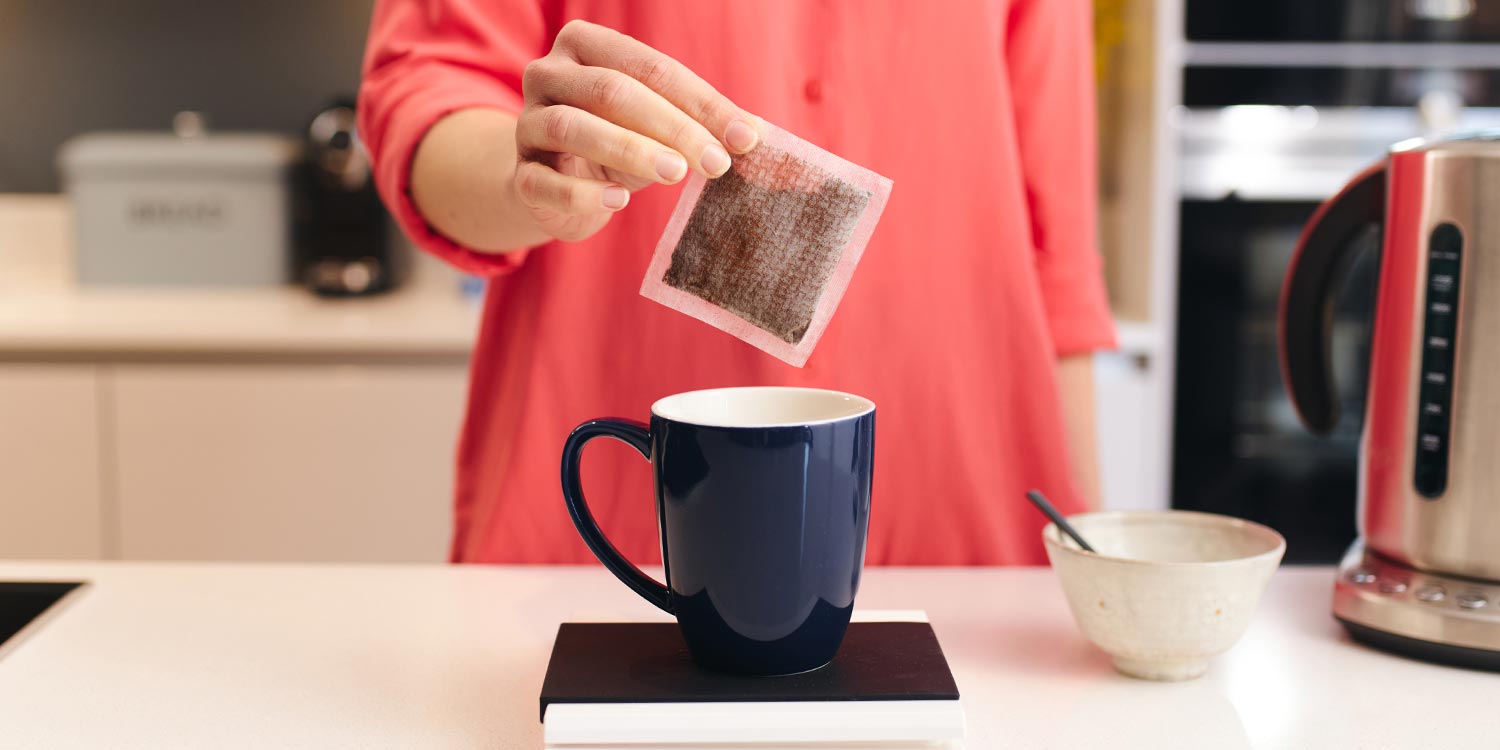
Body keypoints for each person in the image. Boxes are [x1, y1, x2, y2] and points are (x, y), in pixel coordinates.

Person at [358, 0, 1116, 565]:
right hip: (613, 526)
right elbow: (425, 96)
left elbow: (1060, 247)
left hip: (959, 525)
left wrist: (1093, 554)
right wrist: (531, 172)